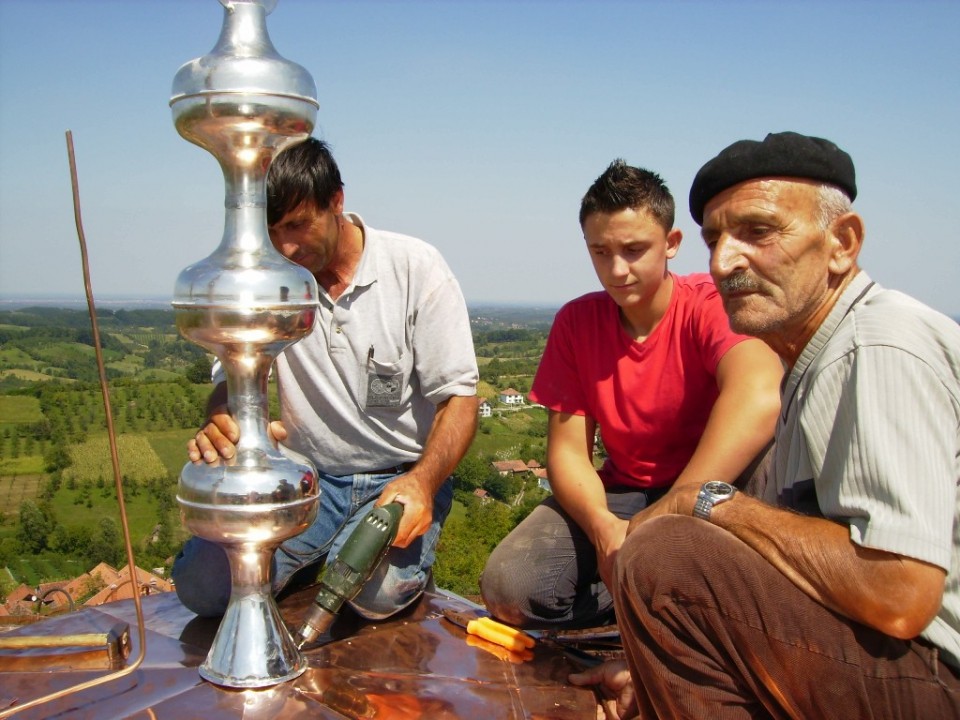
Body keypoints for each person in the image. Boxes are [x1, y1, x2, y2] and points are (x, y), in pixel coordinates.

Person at [573, 131, 960, 718]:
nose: (725, 261)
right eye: (715, 238)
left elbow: (899, 593)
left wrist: (708, 503)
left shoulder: (876, 346)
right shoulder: (814, 354)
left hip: (935, 669)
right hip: (887, 650)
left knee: (669, 556)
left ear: (842, 243)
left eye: (758, 231)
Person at [172, 137, 479, 620]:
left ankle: (355, 561)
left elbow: (460, 399)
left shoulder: (415, 268)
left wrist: (422, 483)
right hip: (304, 478)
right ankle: (316, 554)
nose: (286, 246)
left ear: (336, 201)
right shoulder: (268, 279)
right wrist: (224, 419)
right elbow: (229, 379)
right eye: (272, 231)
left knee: (369, 596)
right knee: (203, 587)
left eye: (298, 224)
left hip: (398, 478)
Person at [480, 160, 783, 630]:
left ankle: (673, 610)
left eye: (634, 249)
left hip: (716, 488)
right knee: (509, 590)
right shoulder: (577, 324)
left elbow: (758, 396)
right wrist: (604, 529)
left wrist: (661, 521)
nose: (617, 270)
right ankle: (635, 615)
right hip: (625, 493)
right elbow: (567, 453)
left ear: (672, 244)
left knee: (715, 584)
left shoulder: (710, 304)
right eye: (600, 252)